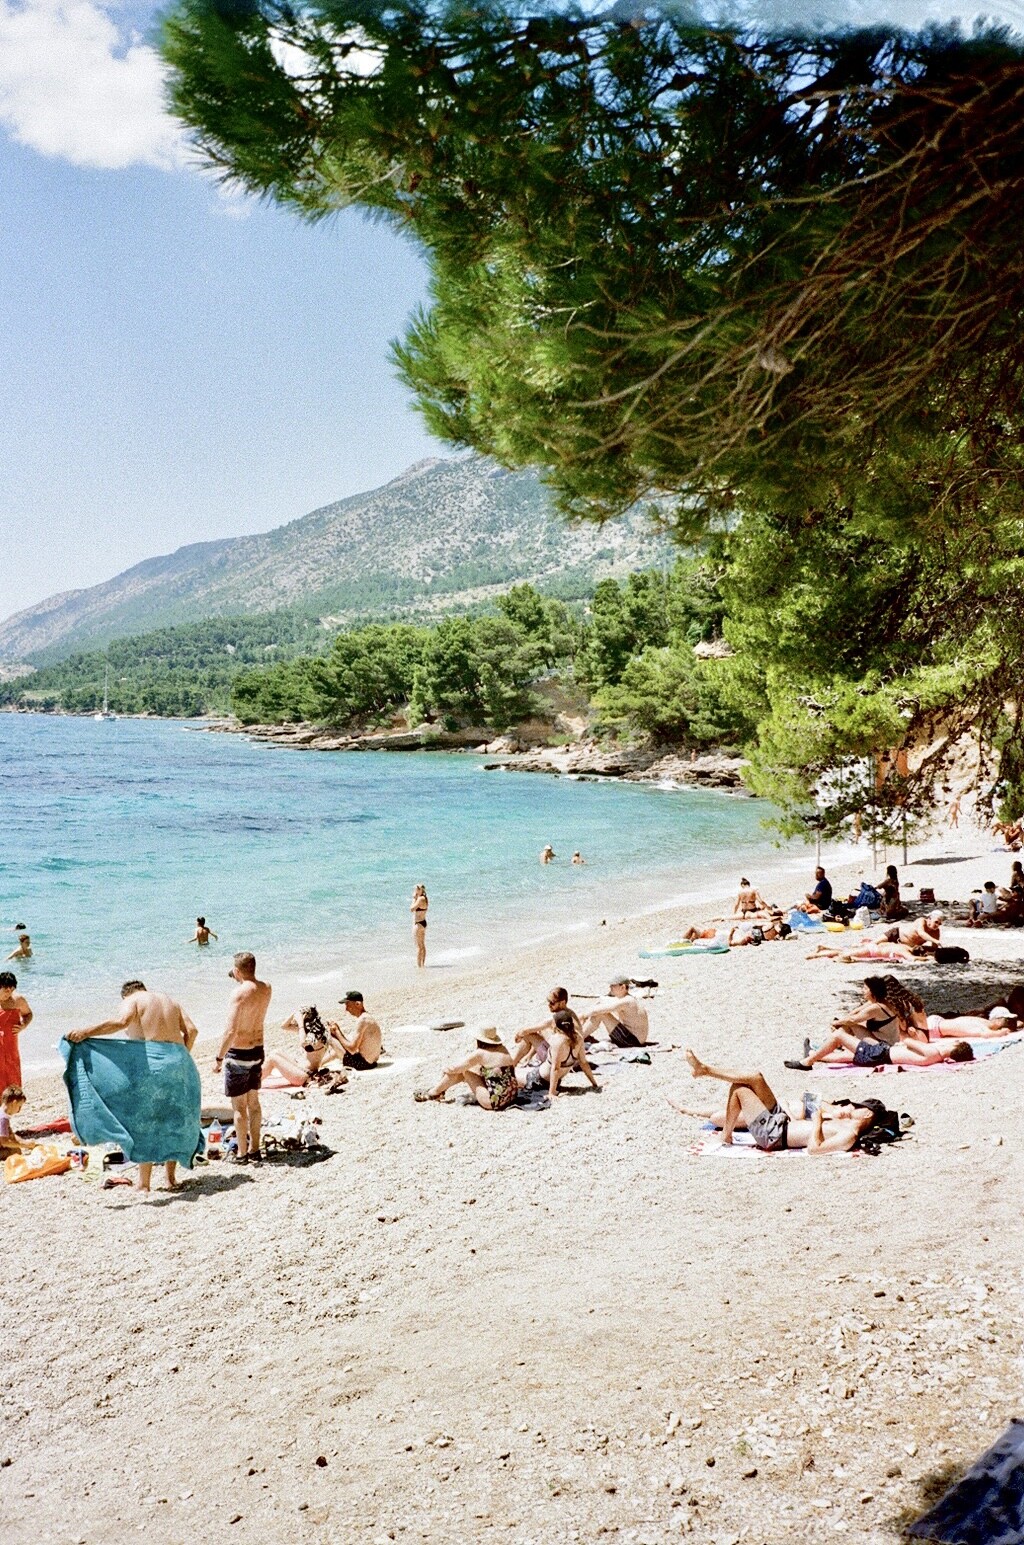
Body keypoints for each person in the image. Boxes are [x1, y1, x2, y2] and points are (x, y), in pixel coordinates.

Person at [67, 980, 200, 1191]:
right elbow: (192, 1031)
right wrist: (177, 1057)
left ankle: (144, 1184)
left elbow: (122, 1022)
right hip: (180, 1061)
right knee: (173, 1119)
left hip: (153, 1062)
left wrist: (86, 1032)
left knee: (146, 1120)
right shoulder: (170, 1001)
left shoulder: (133, 999)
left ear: (126, 995)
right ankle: (170, 1179)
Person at [681, 1049, 873, 1152]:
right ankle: (704, 1070)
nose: (850, 1107)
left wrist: (817, 1121)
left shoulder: (849, 1133)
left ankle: (725, 1135)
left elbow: (815, 1150)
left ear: (866, 1114)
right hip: (782, 1118)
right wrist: (829, 1108)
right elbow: (806, 1097)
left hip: (775, 1135)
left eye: (855, 1107)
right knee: (755, 1077)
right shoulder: (838, 1115)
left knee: (739, 1090)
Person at [213, 952, 272, 1167]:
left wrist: (219, 1058)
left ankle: (242, 1153)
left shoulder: (238, 994)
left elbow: (231, 1031)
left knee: (239, 1108)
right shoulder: (266, 988)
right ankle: (255, 1150)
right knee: (254, 1103)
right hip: (257, 1050)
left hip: (239, 1053)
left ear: (237, 970)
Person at [512, 988, 601, 1098]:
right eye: (548, 1001)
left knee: (514, 1076)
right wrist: (594, 1084)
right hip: (569, 1059)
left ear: (562, 1002)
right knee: (542, 1031)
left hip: (553, 1065)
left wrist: (551, 1093)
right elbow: (584, 1062)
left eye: (552, 1002)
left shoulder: (558, 1034)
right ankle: (525, 1059)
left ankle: (512, 1065)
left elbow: (555, 1068)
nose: (549, 1005)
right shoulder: (571, 1023)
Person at [414, 1027, 520, 1110]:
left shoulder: (480, 1053)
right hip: (511, 1096)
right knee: (473, 1068)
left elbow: (456, 1069)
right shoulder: (503, 1049)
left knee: (465, 1071)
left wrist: (445, 1069)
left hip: (494, 1102)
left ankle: (434, 1093)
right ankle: (437, 1091)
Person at [580, 975, 649, 1047]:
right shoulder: (628, 999)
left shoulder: (627, 1001)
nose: (610, 987)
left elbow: (596, 1011)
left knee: (601, 1014)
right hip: (635, 1039)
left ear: (623, 987)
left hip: (632, 1041)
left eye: (613, 985)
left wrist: (580, 1017)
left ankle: (578, 1038)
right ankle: (582, 1035)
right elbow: (602, 1005)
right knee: (600, 1009)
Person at [328, 991, 382, 1069]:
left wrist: (337, 1032)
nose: (346, 1009)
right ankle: (319, 1064)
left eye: (348, 1005)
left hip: (363, 1064)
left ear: (358, 1004)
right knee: (341, 1042)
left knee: (330, 1038)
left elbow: (352, 1049)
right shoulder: (367, 1017)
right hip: (371, 1062)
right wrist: (338, 1031)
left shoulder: (363, 1020)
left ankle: (313, 1067)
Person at [0, 972, 32, 1093]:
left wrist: (24, 1025)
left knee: (12, 1075)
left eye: (11, 990)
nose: (9, 994)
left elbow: (28, 1014)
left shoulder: (18, 1000)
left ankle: (12, 1102)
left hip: (11, 1045)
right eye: (6, 990)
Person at [0, 1085, 34, 1155]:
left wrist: (24, 1142)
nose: (19, 1110)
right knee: (15, 1151)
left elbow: (10, 1134)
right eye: (19, 1106)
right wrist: (25, 1145)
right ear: (14, 1103)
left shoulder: (2, 1113)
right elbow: (4, 1142)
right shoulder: (3, 1119)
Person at [410, 885, 428, 968]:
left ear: (421, 890)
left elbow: (412, 909)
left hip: (419, 923)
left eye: (417, 889)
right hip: (423, 922)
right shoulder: (425, 898)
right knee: (422, 945)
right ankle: (422, 964)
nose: (416, 891)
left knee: (419, 946)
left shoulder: (420, 899)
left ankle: (419, 966)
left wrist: (414, 898)